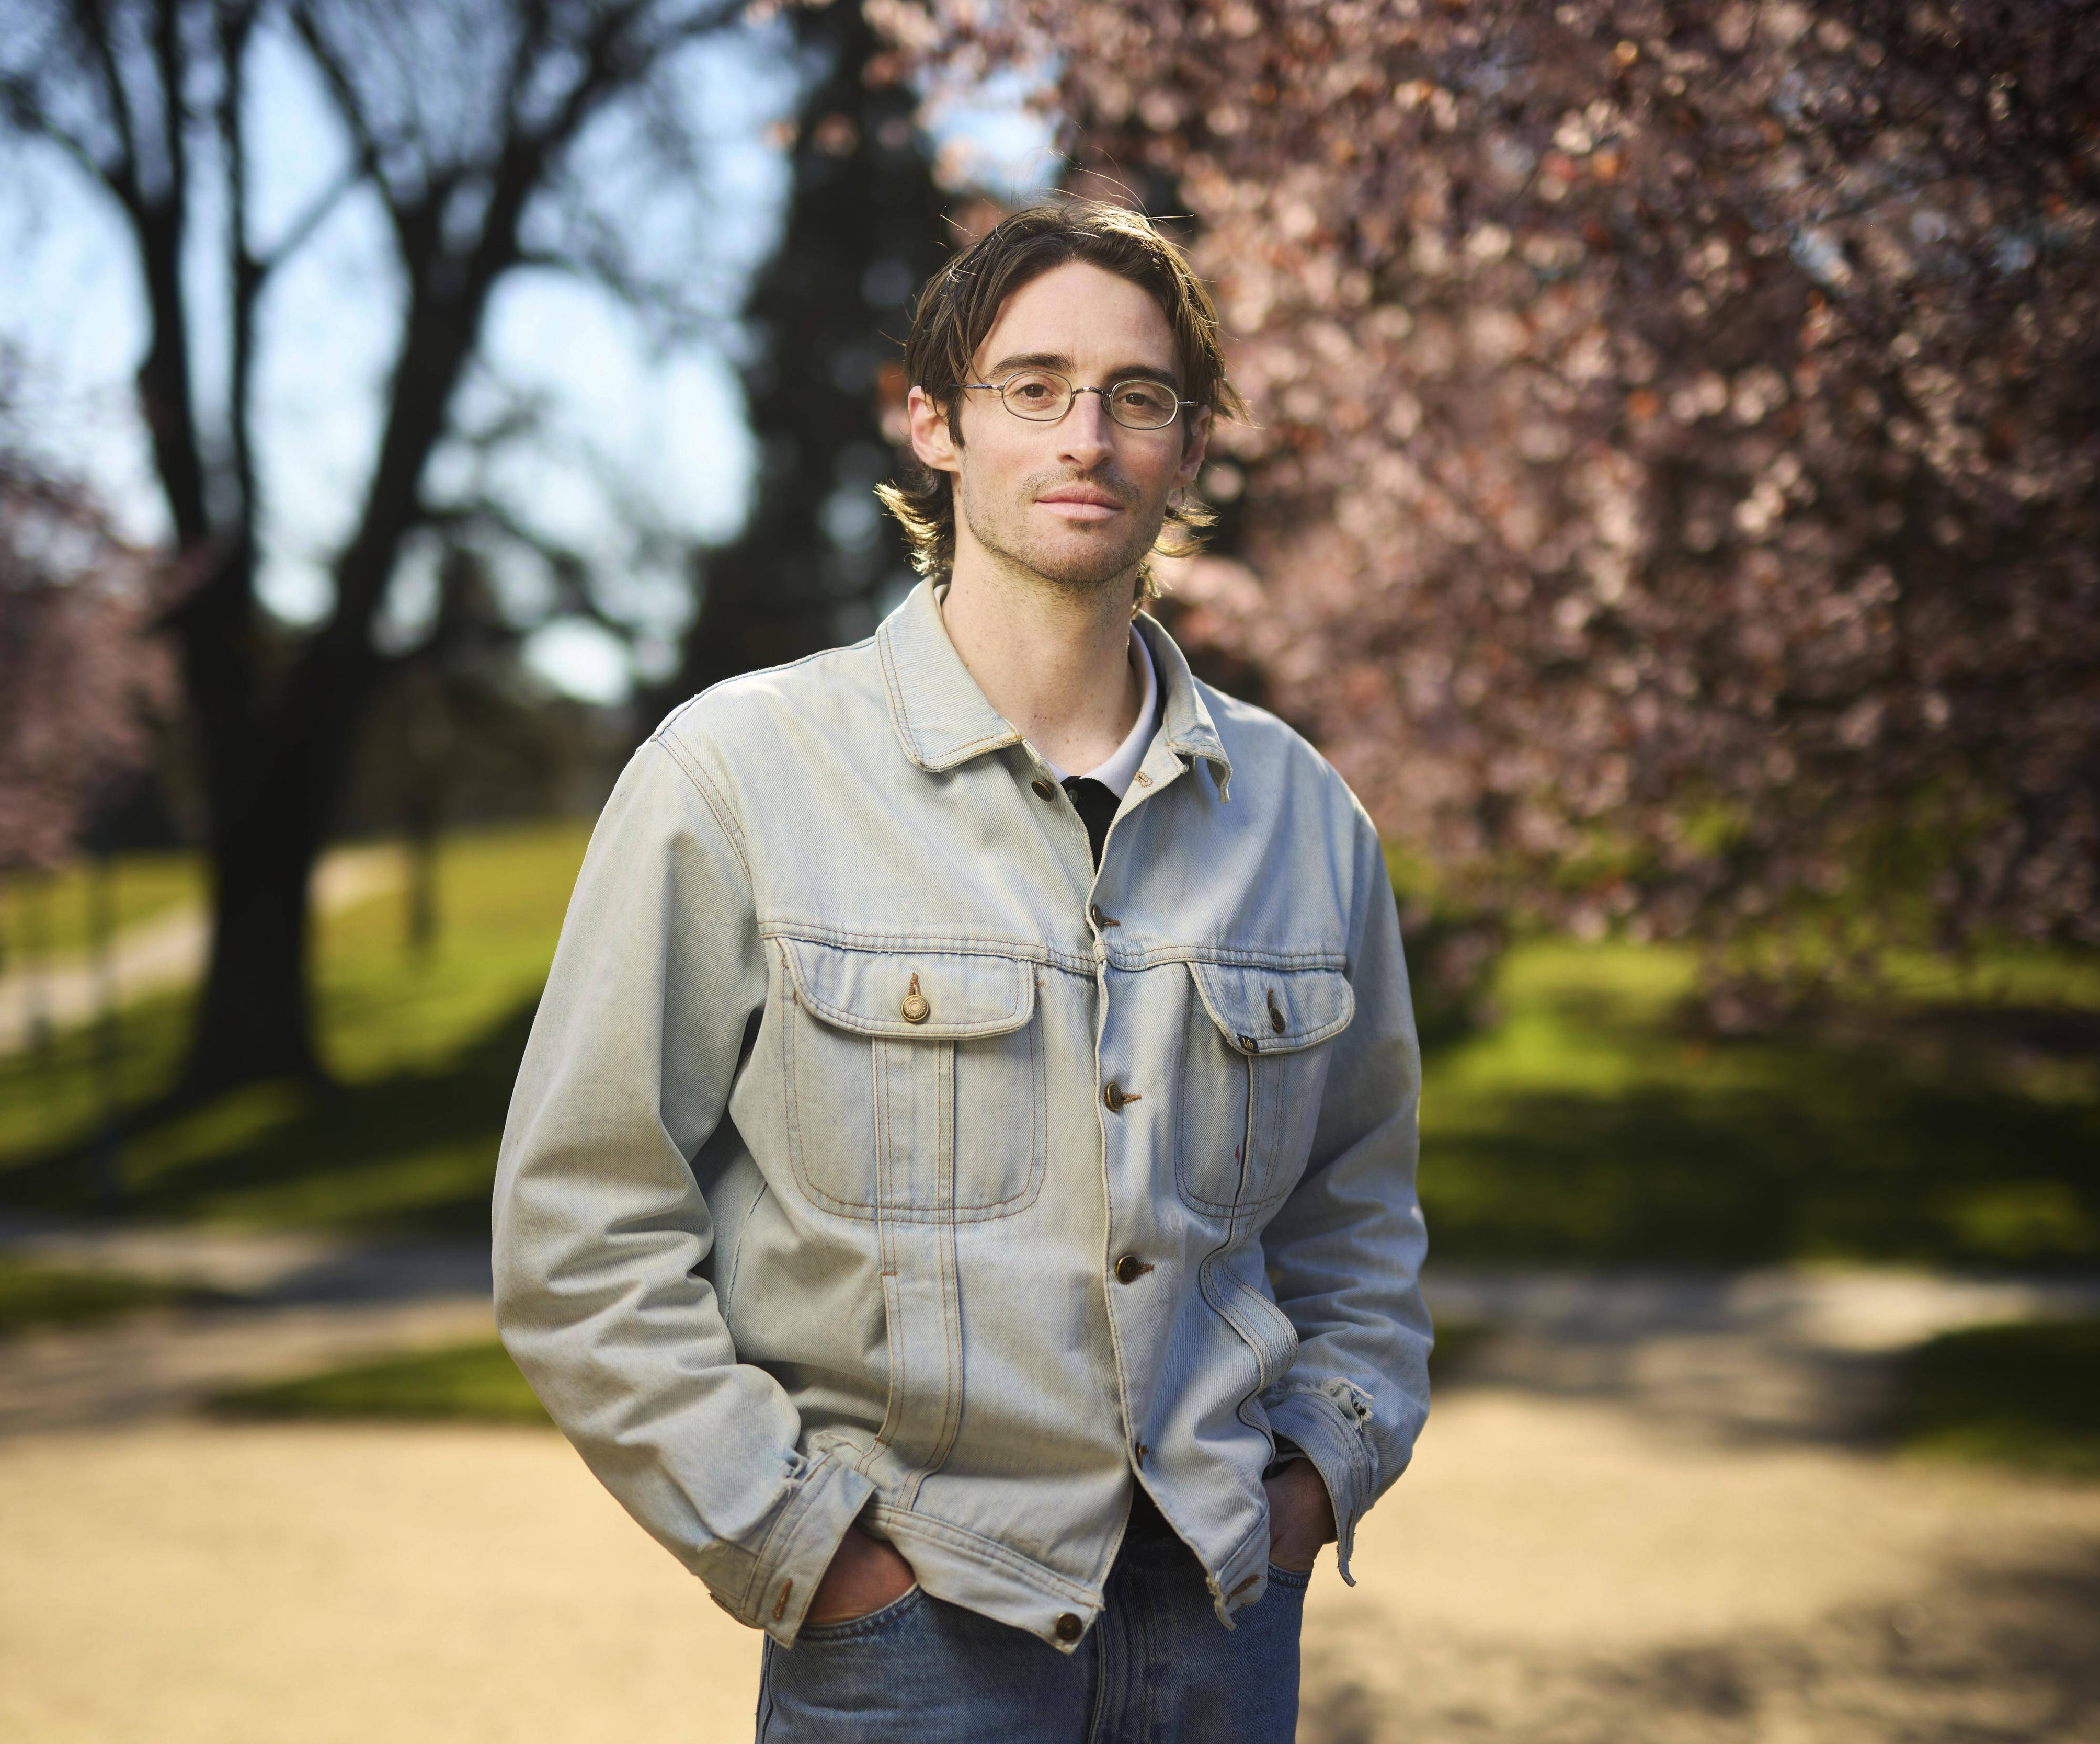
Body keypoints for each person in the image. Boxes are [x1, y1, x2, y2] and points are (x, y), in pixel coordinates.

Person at [491, 198, 1431, 1741]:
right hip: (909, 1642)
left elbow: (1361, 1217)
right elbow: (579, 1229)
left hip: (1222, 1631)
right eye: (1033, 386)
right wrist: (808, 1552)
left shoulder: (1306, 818)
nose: (1089, 437)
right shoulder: (736, 775)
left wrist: (1317, 1481)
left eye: (1139, 396)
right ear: (935, 421)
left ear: (1192, 447)